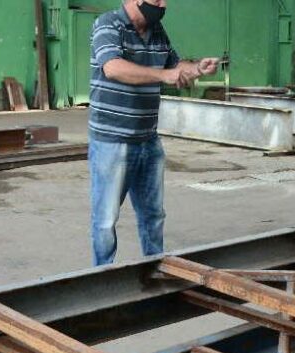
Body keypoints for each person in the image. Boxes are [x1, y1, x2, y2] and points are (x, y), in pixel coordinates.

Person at [89, 0, 219, 265]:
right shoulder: (108, 24)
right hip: (113, 141)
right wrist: (163, 76)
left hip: (148, 140)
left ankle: (156, 270)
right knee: (105, 220)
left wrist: (196, 69)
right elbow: (113, 68)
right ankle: (100, 277)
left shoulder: (157, 30)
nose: (163, 4)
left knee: (153, 215)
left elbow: (174, 66)